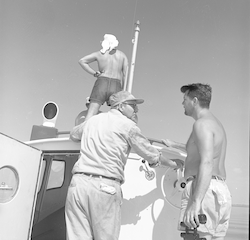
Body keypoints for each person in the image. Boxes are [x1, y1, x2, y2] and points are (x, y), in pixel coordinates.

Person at [65, 90, 184, 240]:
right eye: (133, 105)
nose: (137, 110)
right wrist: (174, 163)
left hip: (78, 185)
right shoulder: (128, 126)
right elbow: (152, 155)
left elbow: (74, 135)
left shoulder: (94, 121)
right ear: (121, 106)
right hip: (105, 187)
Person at [163, 83, 232, 240]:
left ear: (194, 101)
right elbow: (204, 150)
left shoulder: (201, 124)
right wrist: (174, 145)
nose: (182, 103)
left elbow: (207, 162)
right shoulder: (215, 124)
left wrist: (195, 202)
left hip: (203, 190)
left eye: (184, 99)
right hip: (220, 191)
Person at [78, 34, 129, 121]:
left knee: (91, 114)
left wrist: (94, 73)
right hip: (116, 84)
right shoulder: (122, 55)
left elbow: (82, 61)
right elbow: (125, 74)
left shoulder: (99, 54)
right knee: (116, 116)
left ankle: (85, 132)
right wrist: (123, 92)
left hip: (102, 82)